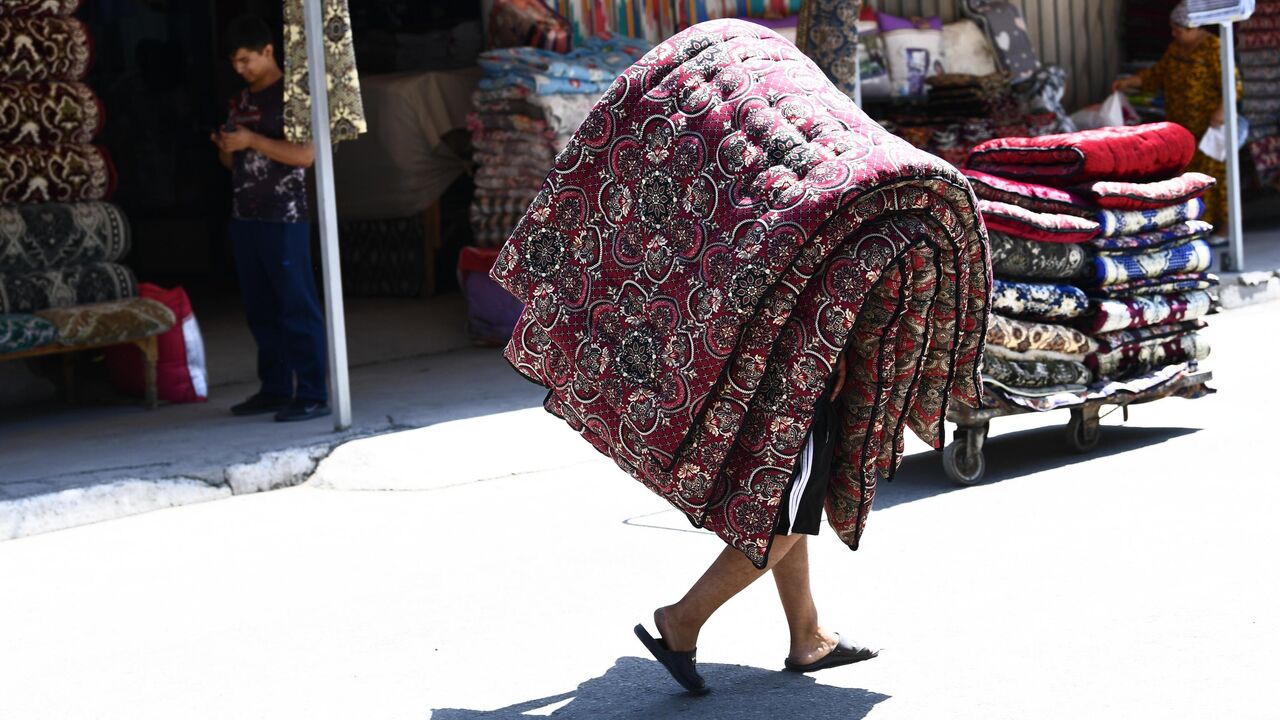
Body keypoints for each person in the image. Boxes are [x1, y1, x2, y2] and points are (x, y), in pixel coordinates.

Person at [633, 351, 878, 694]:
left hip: (776, 350)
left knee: (790, 502)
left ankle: (807, 634)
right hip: (804, 354)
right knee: (791, 507)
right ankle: (684, 618)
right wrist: (832, 343)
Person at [211, 15, 330, 422]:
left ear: (267, 51)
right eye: (234, 62)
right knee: (260, 308)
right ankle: (276, 388)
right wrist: (228, 146)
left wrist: (252, 140)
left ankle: (313, 392)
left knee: (296, 306)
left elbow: (305, 156)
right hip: (245, 215)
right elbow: (232, 163)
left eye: (246, 60)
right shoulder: (239, 101)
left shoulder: (293, 96)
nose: (240, 69)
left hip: (285, 216)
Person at [1113, 1, 1242, 239]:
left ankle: (1225, 227)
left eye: (1178, 29)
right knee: (1187, 178)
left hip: (1209, 128)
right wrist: (1130, 82)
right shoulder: (1175, 50)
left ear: (1193, 27)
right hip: (1183, 128)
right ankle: (1198, 224)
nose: (1174, 34)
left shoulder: (1214, 49)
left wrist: (1222, 110)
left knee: (1215, 176)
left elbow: (1232, 86)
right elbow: (1158, 75)